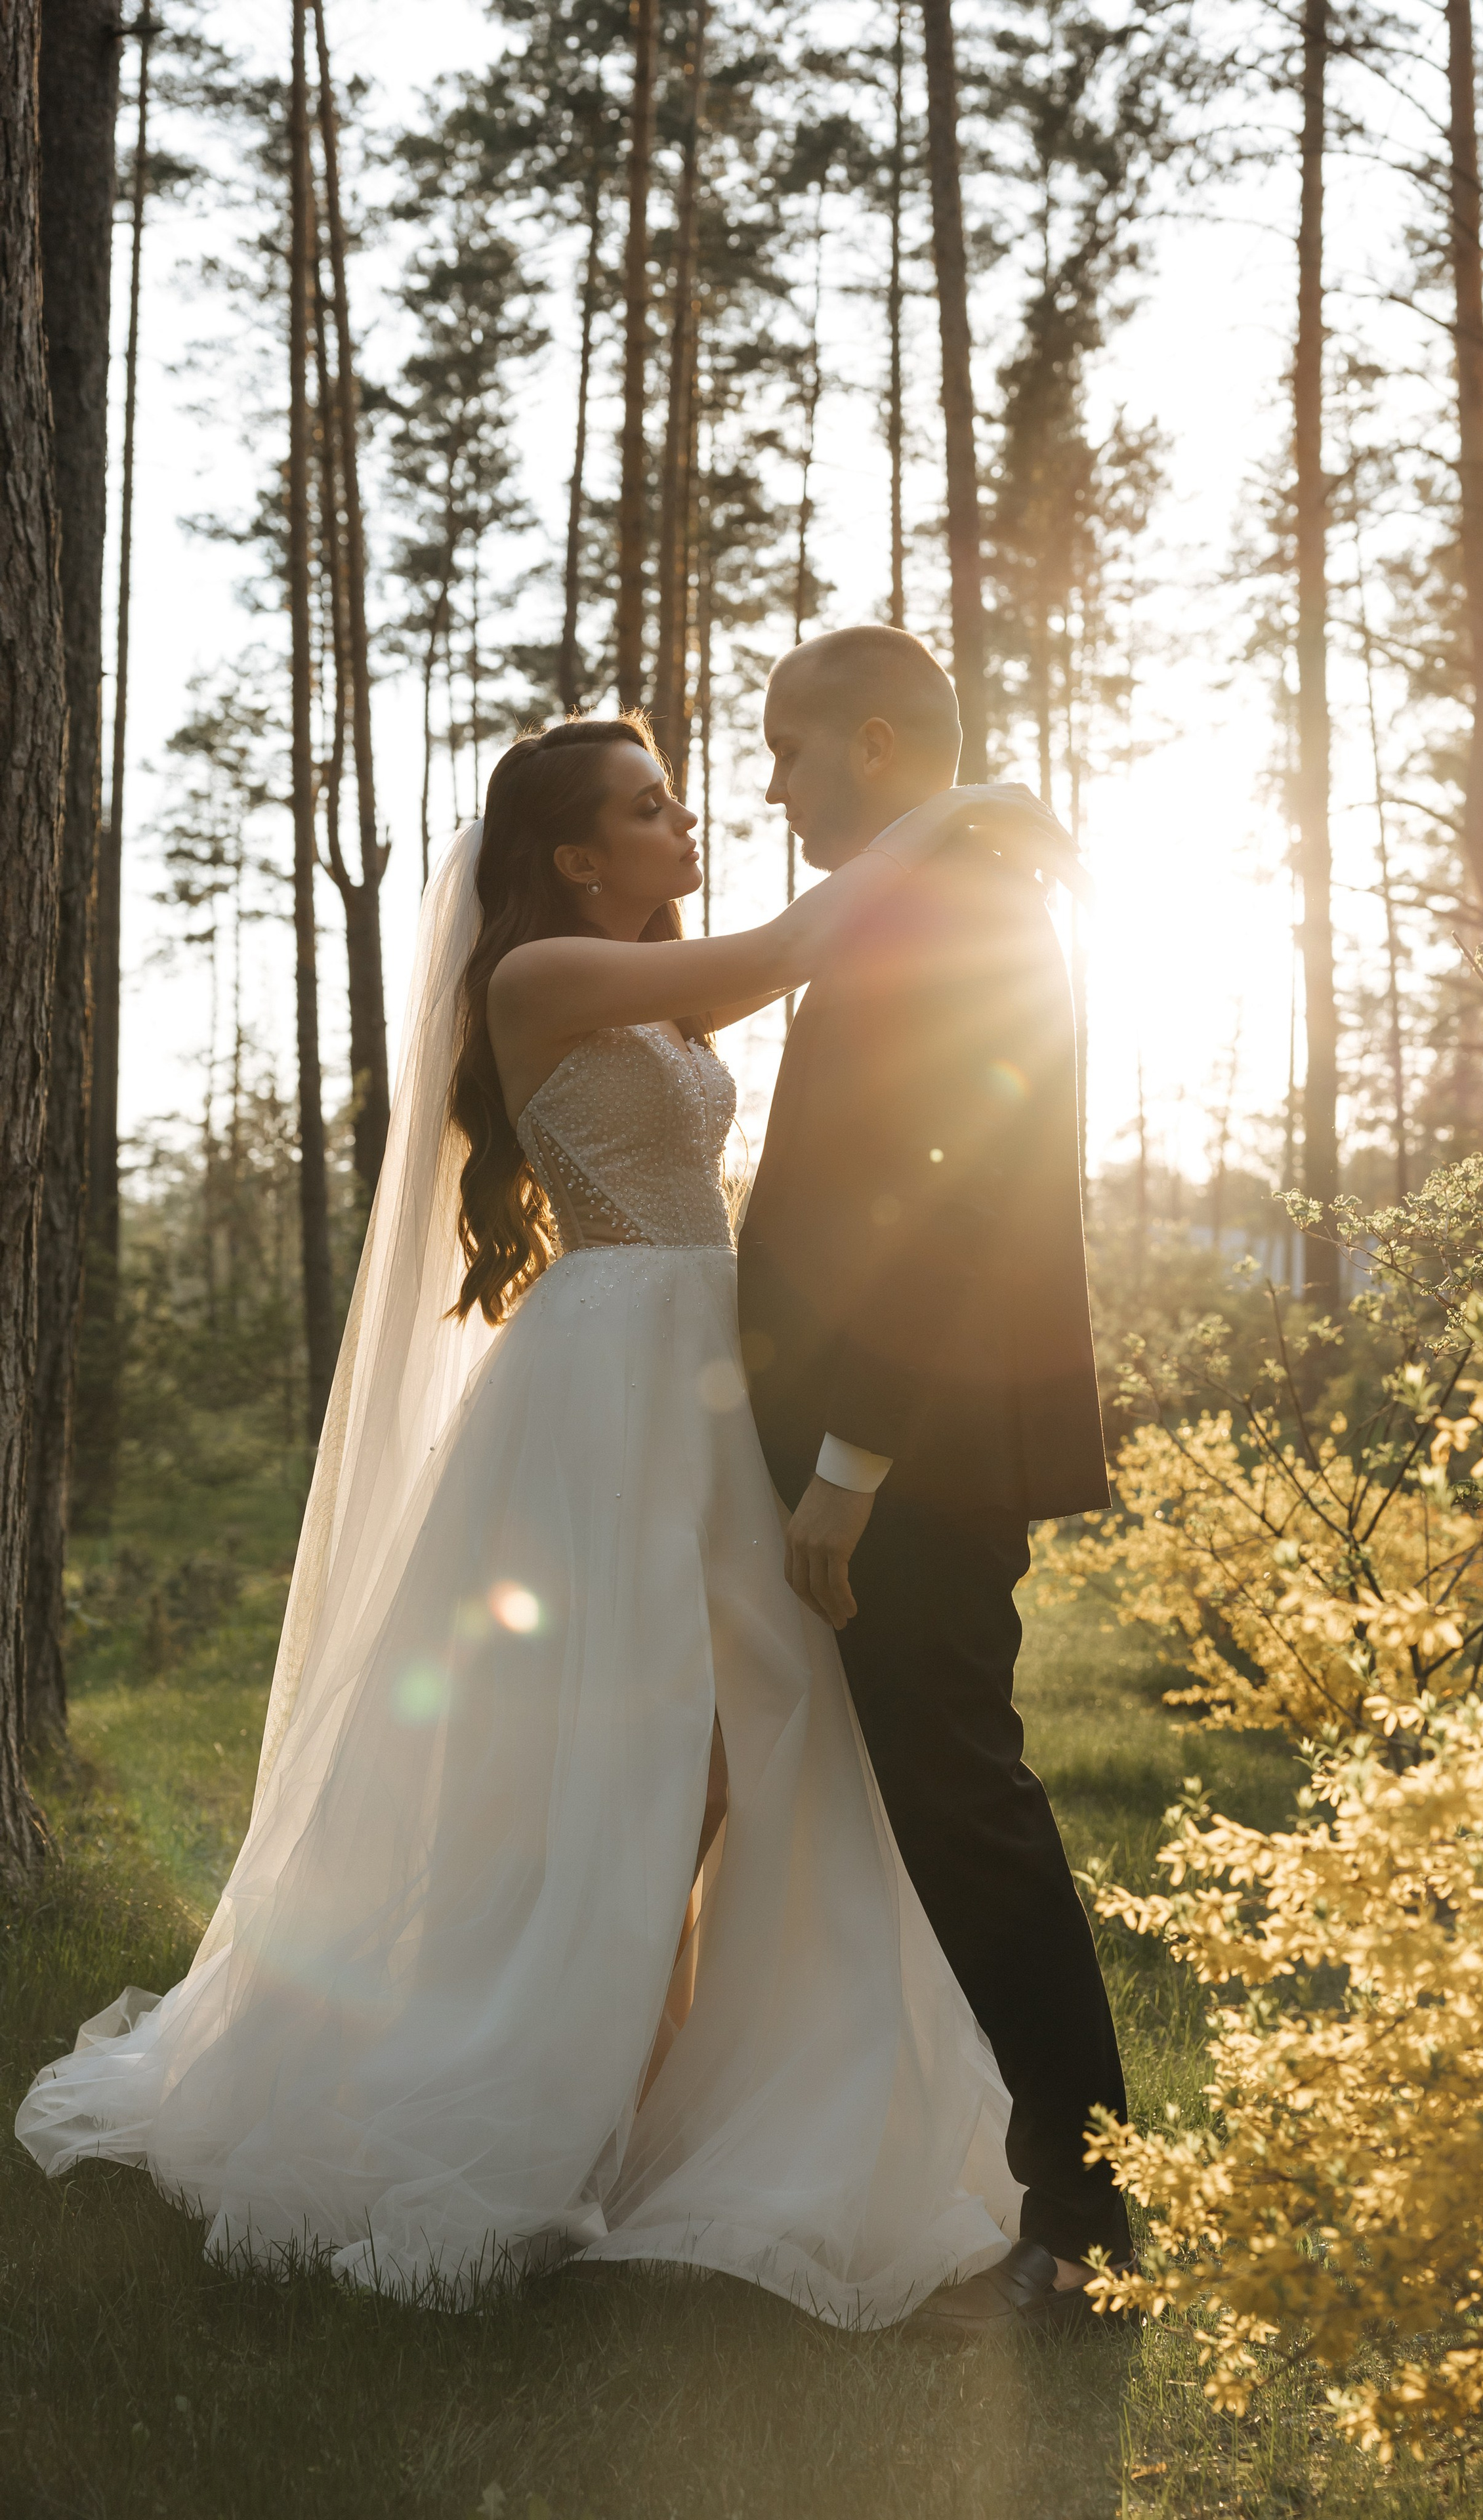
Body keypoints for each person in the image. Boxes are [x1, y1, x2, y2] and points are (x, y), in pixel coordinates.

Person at [14, 715, 1070, 2323]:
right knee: (626, 1756)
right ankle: (534, 2101)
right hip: (612, 1384)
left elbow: (777, 971)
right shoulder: (538, 980)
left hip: (705, 1372)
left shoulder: (637, 976)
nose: (686, 817)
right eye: (647, 810)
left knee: (732, 1753)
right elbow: (797, 939)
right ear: (574, 856)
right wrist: (968, 807)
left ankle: (634, 2092)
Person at [737, 627, 1135, 2339]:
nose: (772, 787)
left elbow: (948, 1200)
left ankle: (1095, 2196)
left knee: (963, 1799)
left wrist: (848, 1464)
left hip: (908, 1458)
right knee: (923, 1797)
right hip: (871, 1451)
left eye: (790, 752)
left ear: (879, 740)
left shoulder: (959, 902)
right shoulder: (950, 882)